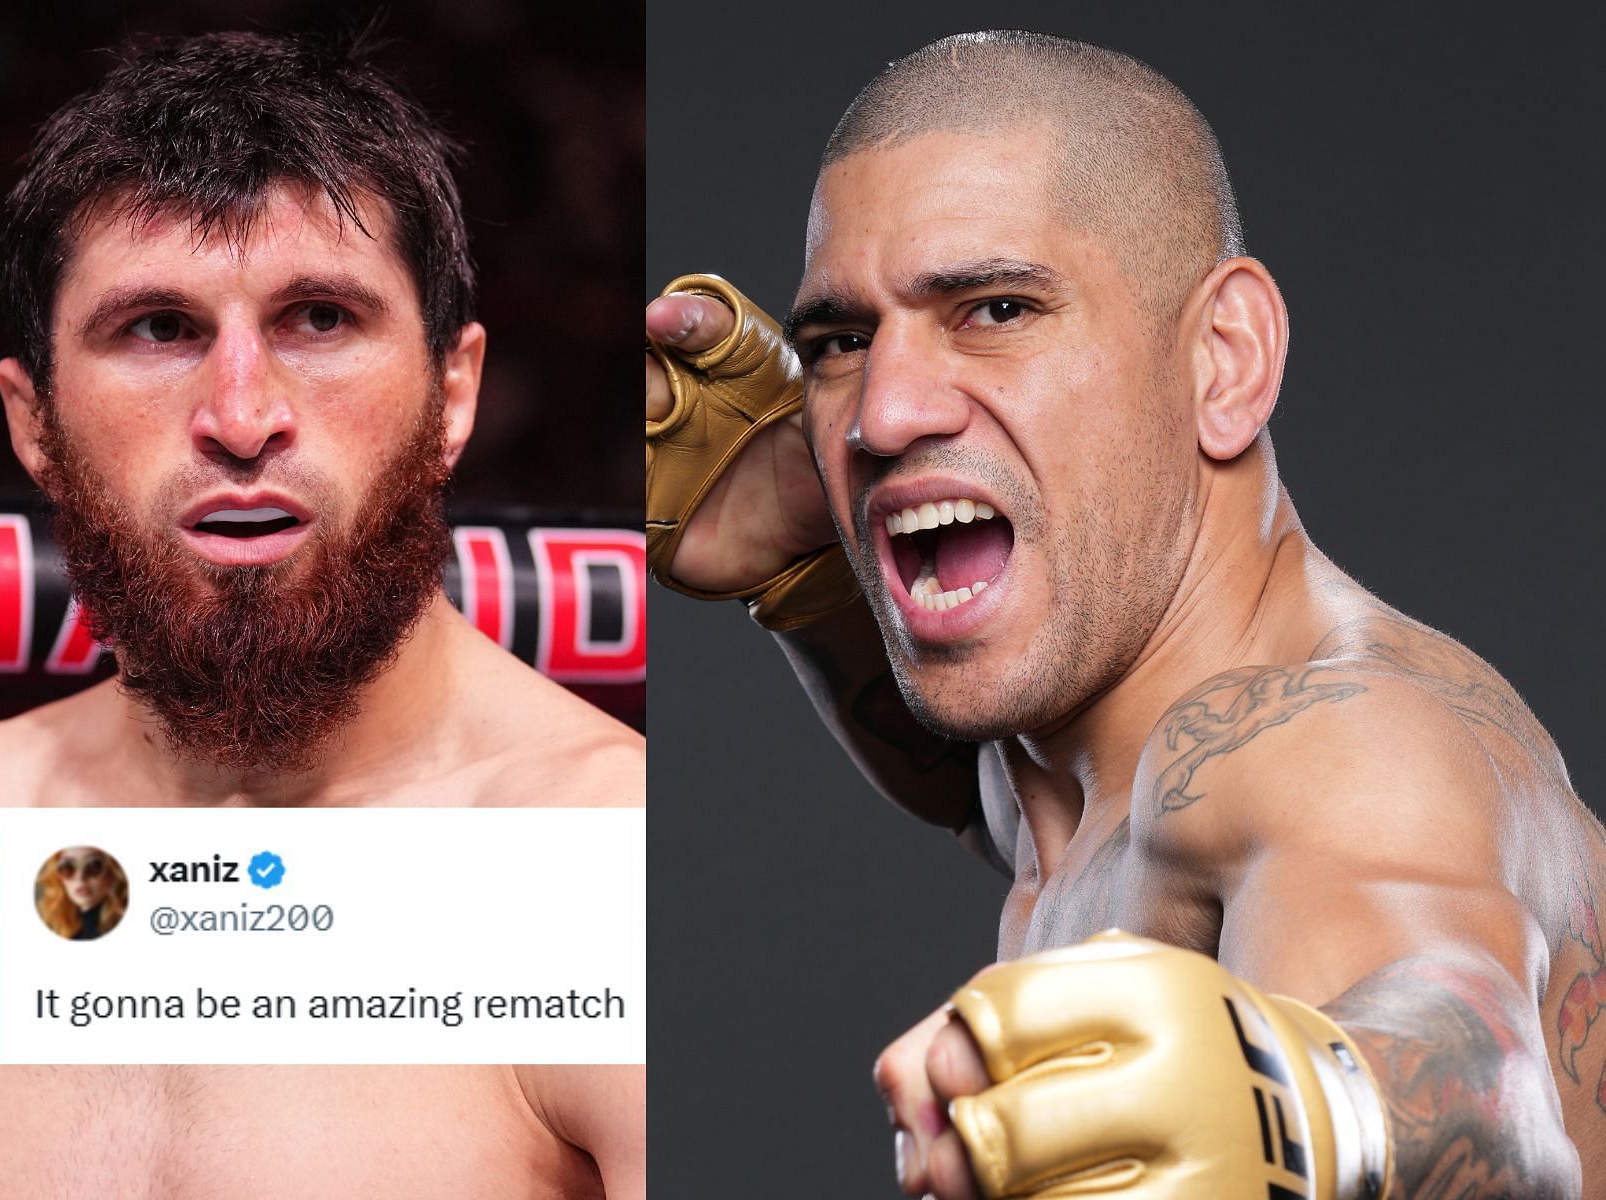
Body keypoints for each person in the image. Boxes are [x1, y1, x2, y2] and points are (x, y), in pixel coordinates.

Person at [647, 29, 1598, 1199]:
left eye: (995, 309)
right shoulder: (1092, 755)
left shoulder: (1345, 746)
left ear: (1223, 360)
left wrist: (1311, 1108)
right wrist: (806, 568)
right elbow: (1003, 800)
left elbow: (1495, 1100)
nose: (881, 415)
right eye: (842, 341)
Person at [0, 32, 643, 1199]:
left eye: (318, 318)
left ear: (454, 391)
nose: (242, 416)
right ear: (34, 422)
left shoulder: (624, 879)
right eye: (158, 328)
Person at [34, 847, 129, 941]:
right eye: (67, 867)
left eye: (94, 866)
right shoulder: (71, 933)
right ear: (58, 877)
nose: (80, 878)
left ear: (112, 873)